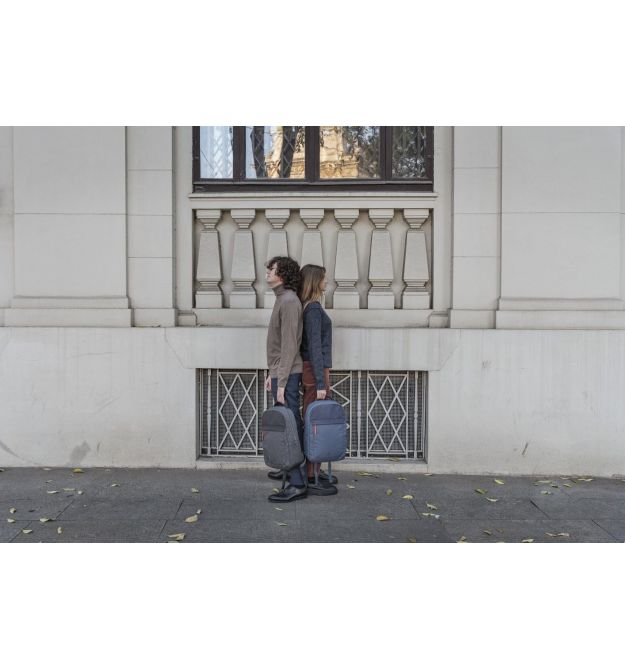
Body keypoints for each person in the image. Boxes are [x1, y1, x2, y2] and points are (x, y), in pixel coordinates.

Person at [264, 256, 307, 503]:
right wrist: (272, 374)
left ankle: (297, 482)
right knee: (285, 424)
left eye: (272, 269)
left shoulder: (289, 301)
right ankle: (289, 469)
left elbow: (290, 345)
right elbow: (277, 344)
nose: (268, 272)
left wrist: (281, 381)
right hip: (282, 372)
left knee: (290, 426)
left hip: (288, 374)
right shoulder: (282, 298)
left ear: (283, 274)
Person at [299, 264, 339, 496]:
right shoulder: (313, 309)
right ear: (315, 281)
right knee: (315, 422)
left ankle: (314, 469)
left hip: (313, 369)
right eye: (324, 278)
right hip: (315, 370)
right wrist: (321, 383)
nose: (326, 282)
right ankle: (311, 474)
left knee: (315, 419)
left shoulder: (309, 307)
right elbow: (315, 347)